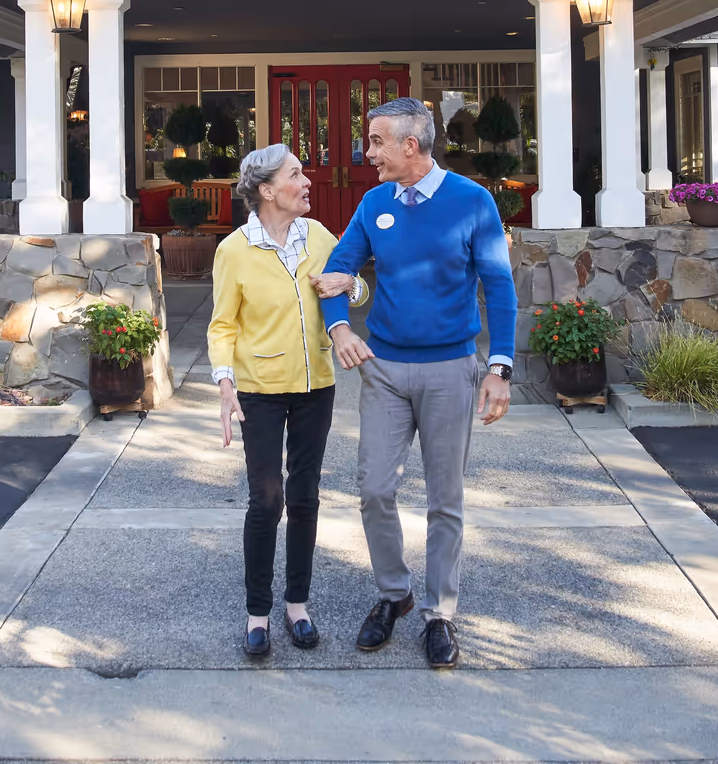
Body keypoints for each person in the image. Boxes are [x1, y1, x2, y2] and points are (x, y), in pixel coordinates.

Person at [312, 96, 517, 670]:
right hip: (383, 370)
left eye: (376, 141)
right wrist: (339, 331)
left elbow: (499, 286)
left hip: (452, 369)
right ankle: (394, 594)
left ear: (411, 144)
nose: (366, 152)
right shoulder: (374, 202)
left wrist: (499, 368)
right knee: (375, 488)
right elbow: (337, 275)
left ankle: (439, 612)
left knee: (444, 498)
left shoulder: (473, 201)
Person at [208, 143, 367, 659]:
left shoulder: (318, 236)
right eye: (296, 175)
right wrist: (225, 384)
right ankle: (258, 613)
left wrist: (352, 285)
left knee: (304, 498)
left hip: (316, 385)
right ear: (266, 190)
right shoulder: (234, 250)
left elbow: (352, 287)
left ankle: (297, 605)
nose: (307, 182)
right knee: (267, 500)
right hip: (259, 389)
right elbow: (223, 324)